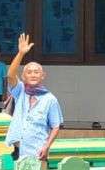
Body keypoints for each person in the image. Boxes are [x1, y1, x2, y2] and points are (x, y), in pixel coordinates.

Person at [5, 33, 63, 162]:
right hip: (18, 150)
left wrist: (47, 146)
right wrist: (21, 53)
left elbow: (55, 126)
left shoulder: (50, 99)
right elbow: (10, 75)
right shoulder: (20, 91)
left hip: (37, 151)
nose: (33, 75)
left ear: (43, 76)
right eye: (29, 72)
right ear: (24, 76)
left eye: (36, 72)